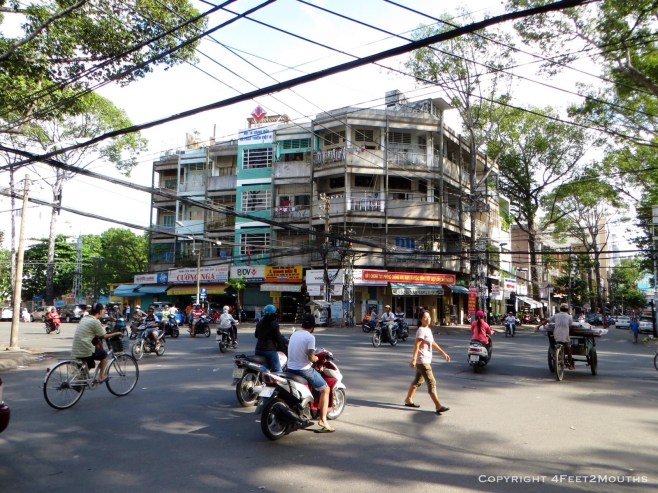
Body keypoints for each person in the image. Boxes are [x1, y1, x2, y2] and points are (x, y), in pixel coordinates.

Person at [287, 314, 333, 432]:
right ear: (313, 326)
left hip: (289, 369)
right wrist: (317, 359)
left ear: (302, 324)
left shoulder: (294, 334)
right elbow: (311, 357)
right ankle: (323, 420)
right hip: (303, 370)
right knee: (326, 389)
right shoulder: (310, 337)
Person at [404, 310, 451, 415]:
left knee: (418, 381)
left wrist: (443, 353)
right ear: (421, 319)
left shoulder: (428, 330)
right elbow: (416, 345)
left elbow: (433, 343)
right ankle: (438, 406)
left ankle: (408, 399)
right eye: (425, 317)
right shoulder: (421, 330)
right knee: (432, 382)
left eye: (429, 317)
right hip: (422, 361)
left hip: (424, 360)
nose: (428, 319)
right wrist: (414, 359)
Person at [71, 303, 122, 383]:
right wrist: (116, 333)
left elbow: (91, 331)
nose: (104, 311)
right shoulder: (95, 321)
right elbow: (104, 336)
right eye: (103, 310)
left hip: (76, 348)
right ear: (100, 311)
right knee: (104, 355)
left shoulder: (85, 318)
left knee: (91, 364)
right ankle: (101, 377)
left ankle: (80, 380)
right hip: (85, 349)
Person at [538, 303, 575, 370]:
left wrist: (539, 326)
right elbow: (570, 326)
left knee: (555, 344)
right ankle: (570, 365)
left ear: (560, 309)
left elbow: (547, 320)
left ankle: (556, 355)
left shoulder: (556, 315)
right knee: (568, 349)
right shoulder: (569, 317)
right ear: (567, 309)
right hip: (565, 336)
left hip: (556, 336)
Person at [255, 304, 288, 372]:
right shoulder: (274, 324)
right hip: (269, 351)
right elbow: (278, 338)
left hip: (258, 350)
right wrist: (283, 347)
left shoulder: (259, 323)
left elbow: (256, 335)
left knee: (265, 367)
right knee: (278, 370)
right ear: (273, 314)